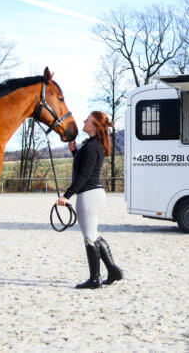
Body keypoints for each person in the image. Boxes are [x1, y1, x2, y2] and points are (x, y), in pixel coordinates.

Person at [56, 111, 124, 289]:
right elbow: (84, 169)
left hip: (89, 195)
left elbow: (84, 175)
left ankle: (95, 279)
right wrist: (74, 152)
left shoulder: (92, 146)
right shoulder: (92, 145)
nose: (84, 121)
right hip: (93, 194)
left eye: (88, 120)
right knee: (93, 234)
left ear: (94, 127)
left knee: (89, 237)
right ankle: (113, 271)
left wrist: (66, 196)